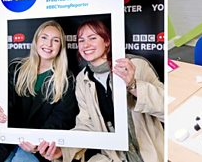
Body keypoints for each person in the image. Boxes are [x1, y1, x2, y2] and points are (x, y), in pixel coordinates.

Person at [37, 20, 164, 162]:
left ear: (107, 41)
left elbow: (165, 108)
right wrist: (63, 150)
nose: (86, 45)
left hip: (150, 155)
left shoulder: (136, 65)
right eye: (81, 40)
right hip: (111, 157)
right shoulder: (82, 79)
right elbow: (86, 125)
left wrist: (133, 86)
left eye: (92, 38)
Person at [0, 20, 79, 162]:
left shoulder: (66, 80)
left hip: (38, 148)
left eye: (55, 40)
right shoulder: (15, 69)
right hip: (3, 141)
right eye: (44, 37)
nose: (48, 44)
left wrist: (36, 141)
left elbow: (61, 120)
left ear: (61, 46)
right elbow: (0, 104)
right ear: (36, 40)